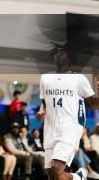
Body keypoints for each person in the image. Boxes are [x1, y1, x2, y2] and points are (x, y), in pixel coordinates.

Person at [37, 45, 99, 180]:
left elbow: (94, 104)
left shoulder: (79, 79)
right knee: (52, 176)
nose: (58, 55)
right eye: (56, 53)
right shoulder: (45, 78)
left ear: (70, 57)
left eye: (62, 52)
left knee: (57, 169)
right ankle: (78, 177)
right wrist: (42, 111)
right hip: (50, 130)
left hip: (70, 129)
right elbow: (44, 102)